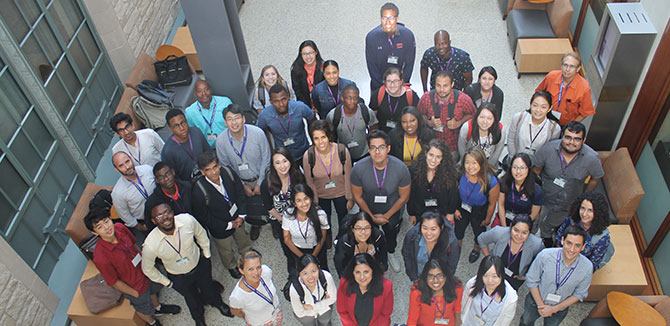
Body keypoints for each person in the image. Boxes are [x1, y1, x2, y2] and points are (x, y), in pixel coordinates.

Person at [142, 203, 233, 326]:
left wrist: (206, 254)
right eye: (159, 216)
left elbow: (201, 234)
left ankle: (218, 303)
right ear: (153, 221)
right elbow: (147, 269)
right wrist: (166, 282)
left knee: (208, 287)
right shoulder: (151, 244)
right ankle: (198, 317)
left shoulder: (187, 220)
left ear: (173, 212)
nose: (165, 218)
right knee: (191, 298)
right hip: (178, 276)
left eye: (167, 212)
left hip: (199, 264)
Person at [84, 212, 181, 326]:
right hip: (134, 285)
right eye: (100, 227)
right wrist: (133, 293)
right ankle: (152, 322)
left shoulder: (120, 228)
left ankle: (158, 308)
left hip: (144, 271)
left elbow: (134, 245)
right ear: (94, 232)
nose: (107, 227)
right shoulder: (101, 257)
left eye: (106, 221)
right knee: (143, 307)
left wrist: (147, 263)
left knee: (153, 290)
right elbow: (114, 281)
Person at [533, 121, 604, 248]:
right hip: (543, 198)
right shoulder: (548, 149)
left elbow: (596, 177)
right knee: (535, 222)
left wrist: (585, 196)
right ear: (562, 136)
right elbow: (536, 170)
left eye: (577, 139)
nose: (571, 142)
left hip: (568, 204)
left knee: (554, 225)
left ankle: (548, 238)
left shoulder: (592, 158)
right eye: (568, 137)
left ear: (584, 140)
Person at [350, 130, 411, 273]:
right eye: (373, 148)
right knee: (368, 235)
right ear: (369, 149)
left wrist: (387, 216)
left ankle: (390, 252)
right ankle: (370, 255)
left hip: (392, 211)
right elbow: (357, 196)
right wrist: (371, 217)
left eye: (381, 147)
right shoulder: (358, 168)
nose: (377, 152)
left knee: (391, 235)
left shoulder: (401, 168)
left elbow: (404, 197)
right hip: (367, 210)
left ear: (388, 148)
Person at [191, 152, 252, 280]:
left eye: (215, 167)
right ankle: (231, 265)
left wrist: (241, 215)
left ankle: (247, 254)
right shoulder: (198, 190)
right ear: (202, 172)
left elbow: (240, 193)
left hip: (237, 217)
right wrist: (228, 225)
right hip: (220, 226)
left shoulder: (228, 173)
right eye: (208, 170)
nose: (213, 172)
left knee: (243, 239)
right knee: (225, 249)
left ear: (219, 165)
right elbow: (204, 216)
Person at [216, 104, 271, 241]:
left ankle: (274, 223)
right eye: (230, 119)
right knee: (250, 206)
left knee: (269, 202)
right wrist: (241, 185)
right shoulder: (221, 141)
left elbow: (267, 158)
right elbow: (226, 167)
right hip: (240, 181)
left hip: (262, 176)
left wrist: (260, 182)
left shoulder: (257, 133)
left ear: (243, 119)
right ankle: (255, 224)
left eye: (237, 118)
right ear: (225, 122)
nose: (234, 123)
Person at [520, 225, 593, 326]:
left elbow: (579, 294)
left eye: (577, 245)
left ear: (583, 247)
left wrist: (554, 309)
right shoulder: (545, 255)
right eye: (569, 243)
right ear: (562, 240)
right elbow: (532, 280)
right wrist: (541, 306)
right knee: (526, 322)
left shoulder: (587, 267)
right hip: (535, 301)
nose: (572, 249)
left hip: (559, 308)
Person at [303, 120, 353, 234]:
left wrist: (350, 198)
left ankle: (342, 239)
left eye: (323, 137)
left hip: (341, 193)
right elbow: (309, 182)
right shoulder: (308, 156)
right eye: (316, 138)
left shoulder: (342, 151)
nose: (320, 142)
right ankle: (328, 238)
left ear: (329, 136)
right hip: (321, 195)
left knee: (343, 218)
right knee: (325, 221)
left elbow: (348, 176)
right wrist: (315, 201)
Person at [455, 147, 500, 264]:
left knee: (478, 231)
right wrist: (454, 209)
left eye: (474, 163)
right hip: (462, 207)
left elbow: (492, 203)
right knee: (459, 228)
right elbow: (454, 193)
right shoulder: (460, 173)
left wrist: (487, 219)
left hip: (479, 211)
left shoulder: (491, 181)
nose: (470, 167)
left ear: (481, 163)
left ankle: (477, 248)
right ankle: (457, 246)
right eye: (467, 162)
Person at [418, 70, 476, 158]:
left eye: (445, 86)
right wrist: (429, 122)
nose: (441, 89)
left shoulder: (463, 99)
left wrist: (459, 122)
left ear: (452, 84)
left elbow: (473, 115)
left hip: (453, 147)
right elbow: (419, 115)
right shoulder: (426, 98)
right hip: (431, 146)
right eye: (438, 85)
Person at [477, 215, 544, 290]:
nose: (519, 236)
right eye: (516, 230)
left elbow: (542, 263)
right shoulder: (499, 232)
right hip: (494, 271)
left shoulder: (537, 244)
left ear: (529, 232)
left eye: (524, 233)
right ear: (511, 226)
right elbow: (481, 239)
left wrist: (527, 276)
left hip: (515, 278)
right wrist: (488, 258)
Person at [257, 84, 316, 164]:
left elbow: (313, 121)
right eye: (276, 101)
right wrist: (271, 151)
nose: (281, 104)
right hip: (283, 157)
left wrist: (314, 143)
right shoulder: (264, 115)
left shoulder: (300, 107)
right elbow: (261, 133)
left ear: (288, 97)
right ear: (271, 102)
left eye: (283, 99)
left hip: (304, 151)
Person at [365, 2, 416, 92]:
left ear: (397, 18)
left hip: (400, 83)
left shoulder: (407, 35)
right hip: (378, 84)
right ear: (380, 19)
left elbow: (409, 64)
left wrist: (402, 84)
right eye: (384, 18)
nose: (388, 22)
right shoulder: (371, 37)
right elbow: (371, 66)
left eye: (392, 18)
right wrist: (381, 86)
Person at [555, 192, 613, 271]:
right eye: (582, 208)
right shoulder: (571, 220)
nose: (584, 214)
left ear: (598, 213)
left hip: (580, 268)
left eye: (590, 210)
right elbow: (559, 237)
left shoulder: (602, 238)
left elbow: (592, 264)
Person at [408, 138, 459, 226]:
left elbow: (453, 194)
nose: (433, 160)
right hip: (420, 211)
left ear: (442, 158)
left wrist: (451, 212)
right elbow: (411, 194)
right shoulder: (414, 170)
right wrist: (411, 213)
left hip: (441, 212)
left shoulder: (449, 172)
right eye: (431, 155)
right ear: (425, 153)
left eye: (438, 157)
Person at [535, 52, 595, 126]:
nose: (567, 69)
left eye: (572, 66)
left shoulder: (584, 88)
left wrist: (569, 126)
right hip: (544, 117)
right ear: (561, 66)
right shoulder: (551, 76)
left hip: (564, 124)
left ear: (578, 69)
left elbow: (584, 113)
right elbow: (538, 94)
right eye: (565, 65)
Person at [282, 183, 330, 274]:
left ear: (311, 199)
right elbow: (287, 239)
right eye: (299, 200)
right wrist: (302, 258)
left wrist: (313, 257)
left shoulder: (320, 214)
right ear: (294, 203)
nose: (304, 204)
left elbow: (322, 237)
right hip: (298, 250)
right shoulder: (288, 215)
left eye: (306, 199)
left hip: (317, 249)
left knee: (322, 271)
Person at [402, 210, 460, 282]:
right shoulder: (412, 237)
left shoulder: (451, 243)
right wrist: (413, 277)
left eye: (433, 229)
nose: (428, 233)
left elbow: (451, 266)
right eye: (425, 228)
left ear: (441, 228)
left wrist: (442, 282)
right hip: (419, 276)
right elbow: (407, 255)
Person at [326, 84, 379, 162]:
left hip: (365, 152)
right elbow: (329, 135)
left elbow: (374, 128)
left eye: (355, 98)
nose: (352, 101)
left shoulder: (366, 112)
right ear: (342, 98)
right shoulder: (333, 115)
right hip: (343, 154)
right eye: (348, 98)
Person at [337, 253, 394, 326]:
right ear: (353, 273)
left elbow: (385, 314)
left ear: (373, 271)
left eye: (366, 272)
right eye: (358, 272)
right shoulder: (344, 284)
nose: (362, 277)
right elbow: (342, 311)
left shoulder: (386, 286)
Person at [230, 250, 283, 326]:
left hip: (276, 313)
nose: (256, 273)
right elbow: (235, 311)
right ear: (241, 271)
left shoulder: (266, 271)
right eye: (250, 269)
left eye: (258, 267)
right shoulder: (237, 296)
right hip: (259, 323)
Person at [461, 256, 518, 326]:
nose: (490, 280)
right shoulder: (472, 284)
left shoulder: (510, 298)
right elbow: (463, 304)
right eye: (485, 275)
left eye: (494, 276)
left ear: (502, 275)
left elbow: (505, 322)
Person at [505, 91, 560, 161]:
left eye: (543, 107)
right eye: (535, 105)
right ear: (530, 105)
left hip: (537, 166)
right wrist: (514, 160)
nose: (538, 110)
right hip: (516, 161)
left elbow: (550, 152)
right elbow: (511, 140)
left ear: (549, 108)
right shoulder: (519, 118)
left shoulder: (554, 128)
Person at [407, 258, 463, 326]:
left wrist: (458, 322)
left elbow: (457, 308)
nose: (435, 280)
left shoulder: (456, 287)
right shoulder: (417, 292)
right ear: (425, 277)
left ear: (446, 276)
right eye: (431, 276)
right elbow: (412, 319)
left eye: (439, 275)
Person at [111, 152, 153, 237]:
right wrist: (140, 227)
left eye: (127, 161)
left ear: (131, 158)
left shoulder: (147, 170)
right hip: (147, 222)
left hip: (165, 210)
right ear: (116, 169)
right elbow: (124, 214)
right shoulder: (118, 192)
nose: (127, 167)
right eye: (121, 165)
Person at [161, 109, 211, 181]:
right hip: (189, 185)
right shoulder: (168, 151)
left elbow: (209, 153)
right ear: (170, 128)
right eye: (176, 126)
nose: (182, 128)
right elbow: (174, 178)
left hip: (208, 175)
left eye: (183, 123)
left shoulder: (196, 132)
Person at [289, 255, 338, 325]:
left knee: (325, 322)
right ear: (300, 274)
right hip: (306, 315)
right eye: (305, 273)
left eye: (313, 271)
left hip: (323, 310)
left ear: (318, 268)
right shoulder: (295, 288)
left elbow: (333, 298)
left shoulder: (326, 277)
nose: (310, 277)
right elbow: (299, 313)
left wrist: (310, 307)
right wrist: (324, 302)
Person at [369, 67, 420, 133]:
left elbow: (418, 118)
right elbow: (373, 119)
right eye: (389, 81)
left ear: (401, 81)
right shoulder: (378, 94)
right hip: (383, 135)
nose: (392, 84)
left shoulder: (411, 95)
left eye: (396, 81)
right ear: (385, 82)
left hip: (404, 136)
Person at [497, 153, 543, 226]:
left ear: (528, 169)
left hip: (522, 225)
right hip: (503, 219)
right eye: (515, 167)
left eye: (522, 168)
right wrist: (504, 227)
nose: (518, 171)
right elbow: (501, 205)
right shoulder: (504, 181)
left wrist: (517, 229)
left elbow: (533, 215)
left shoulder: (536, 190)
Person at [144, 162, 192, 231]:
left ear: (173, 172)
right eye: (161, 177)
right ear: (157, 180)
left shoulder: (187, 187)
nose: (166, 179)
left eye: (168, 174)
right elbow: (151, 226)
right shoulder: (152, 202)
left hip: (194, 226)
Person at [184, 80, 232, 148]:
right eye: (199, 91)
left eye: (206, 89)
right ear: (195, 94)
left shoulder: (225, 103)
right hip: (208, 149)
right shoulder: (190, 112)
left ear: (211, 90)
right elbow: (192, 134)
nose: (203, 93)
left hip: (229, 144)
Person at [457, 103, 505, 168]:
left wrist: (488, 168)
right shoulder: (467, 128)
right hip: (470, 161)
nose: (485, 121)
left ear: (494, 119)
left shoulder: (500, 130)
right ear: (477, 116)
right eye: (482, 117)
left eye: (489, 118)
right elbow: (462, 149)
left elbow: (497, 152)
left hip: (489, 162)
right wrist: (468, 165)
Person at [291, 40, 325, 110]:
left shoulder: (323, 67)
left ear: (316, 52)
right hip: (305, 103)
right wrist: (307, 107)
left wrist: (318, 106)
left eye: (311, 53)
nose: (308, 57)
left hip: (323, 102)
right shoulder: (295, 69)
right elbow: (298, 91)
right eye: (304, 54)